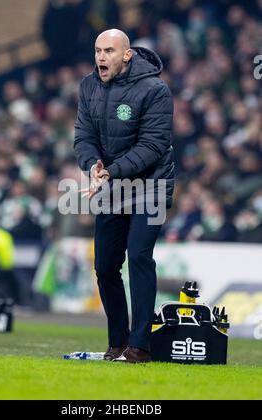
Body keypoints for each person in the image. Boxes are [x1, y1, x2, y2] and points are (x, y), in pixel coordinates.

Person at [74, 29, 174, 363]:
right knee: (104, 267)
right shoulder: (88, 86)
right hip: (112, 187)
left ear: (127, 55)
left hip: (150, 187)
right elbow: (83, 136)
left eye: (109, 51)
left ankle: (140, 345)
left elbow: (153, 145)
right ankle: (117, 342)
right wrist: (91, 166)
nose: (101, 57)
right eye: (97, 50)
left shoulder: (155, 89)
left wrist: (110, 172)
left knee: (139, 257)